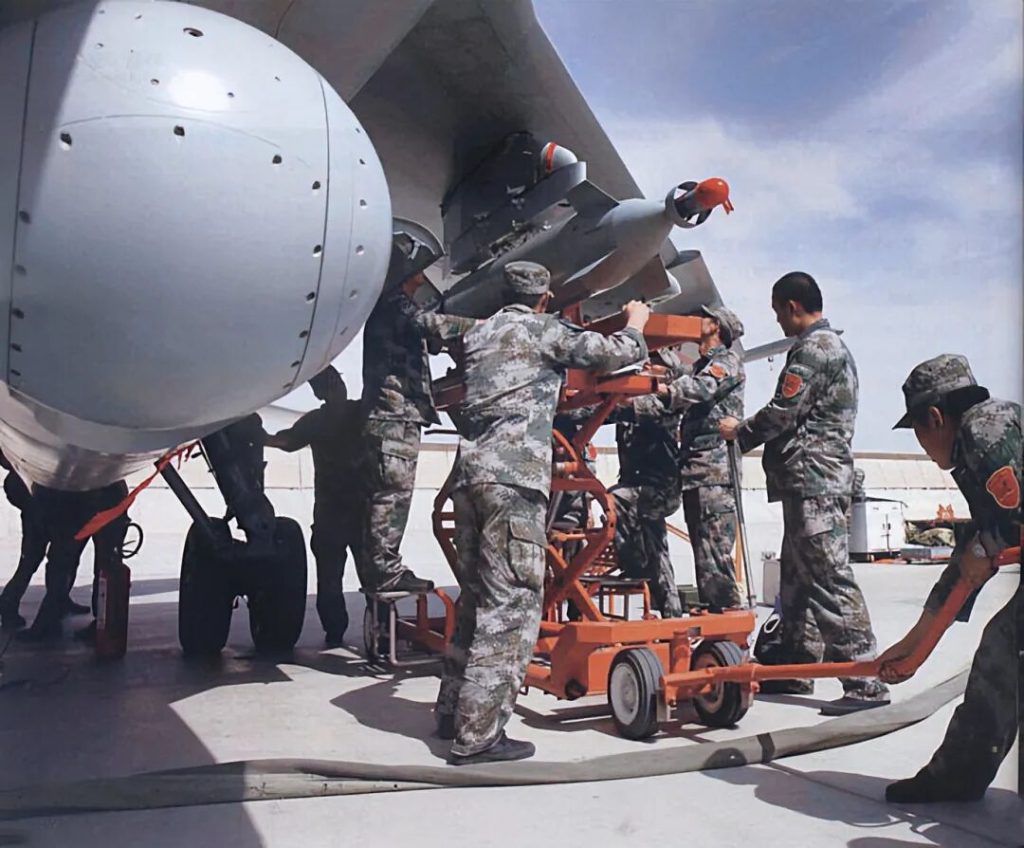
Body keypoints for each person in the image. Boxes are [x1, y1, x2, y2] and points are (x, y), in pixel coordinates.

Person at [435, 260, 650, 765]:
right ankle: (479, 736)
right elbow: (612, 355)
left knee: (476, 601)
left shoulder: (482, 334)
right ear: (544, 297)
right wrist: (636, 323)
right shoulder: (544, 330)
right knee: (510, 607)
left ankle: (452, 712)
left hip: (471, 477)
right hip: (513, 482)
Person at [719, 271, 889, 715]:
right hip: (809, 482)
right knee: (797, 579)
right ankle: (793, 665)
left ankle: (865, 680)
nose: (777, 322)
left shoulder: (813, 350)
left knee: (829, 578)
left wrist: (740, 432)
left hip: (814, 481)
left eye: (778, 312)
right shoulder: (832, 347)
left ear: (793, 306)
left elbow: (783, 412)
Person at [878, 354, 1020, 803]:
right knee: (1005, 648)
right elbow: (978, 544)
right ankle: (959, 773)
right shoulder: (984, 434)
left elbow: (1007, 526)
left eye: (917, 430)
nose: (920, 444)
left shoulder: (985, 434)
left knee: (1004, 653)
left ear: (935, 418)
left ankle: (958, 775)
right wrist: (916, 642)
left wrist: (984, 548)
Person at [359, 274, 475, 594]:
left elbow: (431, 339)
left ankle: (382, 570)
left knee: (390, 497)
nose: (425, 277)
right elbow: (432, 326)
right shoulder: (395, 305)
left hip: (395, 418)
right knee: (391, 497)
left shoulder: (389, 308)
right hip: (394, 418)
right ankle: (385, 573)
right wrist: (487, 327)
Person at [263, 367, 363, 645]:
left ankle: (337, 630)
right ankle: (362, 629)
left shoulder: (321, 421)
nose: (338, 387)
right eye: (333, 383)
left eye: (337, 381)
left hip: (338, 513)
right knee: (357, 576)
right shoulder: (359, 413)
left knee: (333, 577)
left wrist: (257, 436)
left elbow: (286, 441)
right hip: (353, 513)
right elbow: (286, 441)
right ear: (322, 392)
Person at [657, 304, 745, 611]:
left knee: (716, 558)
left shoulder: (727, 362)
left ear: (716, 327)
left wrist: (661, 390)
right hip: (697, 470)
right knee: (704, 555)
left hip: (715, 472)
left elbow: (701, 388)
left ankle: (730, 624)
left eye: (703, 317)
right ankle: (718, 624)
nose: (696, 320)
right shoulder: (701, 365)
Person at [611, 348, 687, 618]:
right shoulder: (632, 403)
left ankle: (633, 563)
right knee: (657, 551)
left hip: (661, 489)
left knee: (613, 500)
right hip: (640, 488)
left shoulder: (666, 402)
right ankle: (670, 610)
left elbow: (626, 409)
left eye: (654, 366)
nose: (646, 368)